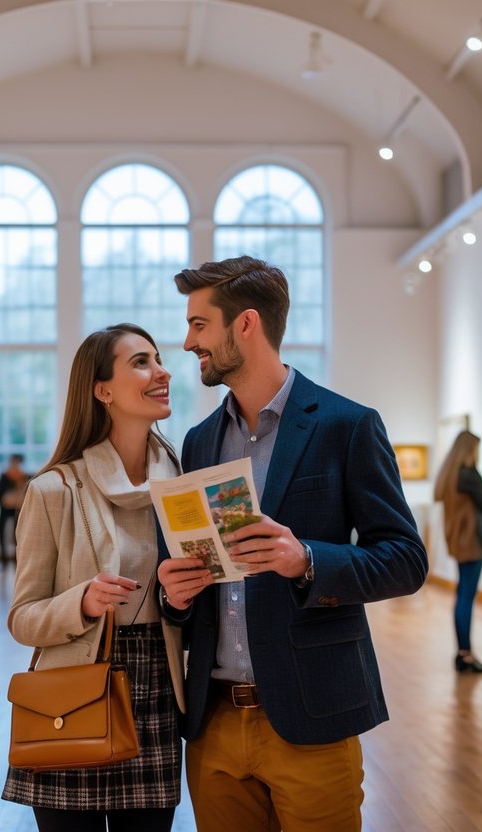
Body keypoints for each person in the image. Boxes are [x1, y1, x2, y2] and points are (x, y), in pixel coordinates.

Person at [156, 256, 428, 831]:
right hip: (214, 724)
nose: (187, 343)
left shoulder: (345, 425)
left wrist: (306, 559)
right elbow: (186, 574)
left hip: (314, 714)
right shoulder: (200, 441)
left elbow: (405, 560)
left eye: (199, 325)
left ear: (246, 324)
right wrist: (172, 594)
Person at [2, 323, 187, 832]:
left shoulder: (183, 482)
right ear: (102, 390)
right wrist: (81, 602)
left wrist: (183, 599)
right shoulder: (54, 490)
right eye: (142, 362)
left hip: (157, 691)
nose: (162, 371)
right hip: (72, 694)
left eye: (159, 359)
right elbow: (22, 618)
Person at [433, 430, 482, 675]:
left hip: (457, 541)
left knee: (462, 594)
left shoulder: (449, 474)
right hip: (472, 542)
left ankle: (463, 652)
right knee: (466, 597)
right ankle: (466, 654)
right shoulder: (469, 475)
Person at [0, 453, 29, 567]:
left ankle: (16, 560)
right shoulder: (5, 475)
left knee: (17, 535)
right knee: (1, 532)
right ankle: (4, 560)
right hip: (5, 508)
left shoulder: (25, 475)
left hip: (17, 508)